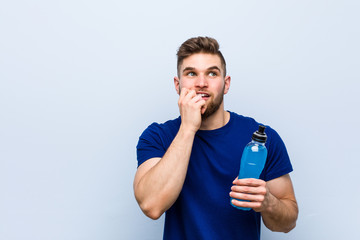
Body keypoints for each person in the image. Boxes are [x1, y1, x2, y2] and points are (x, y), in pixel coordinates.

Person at [134, 36, 298, 239]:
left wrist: (268, 203)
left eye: (212, 73)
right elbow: (152, 206)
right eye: (191, 73)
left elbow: (288, 221)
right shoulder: (157, 136)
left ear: (226, 83)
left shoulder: (263, 139)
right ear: (177, 85)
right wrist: (187, 128)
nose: (201, 83)